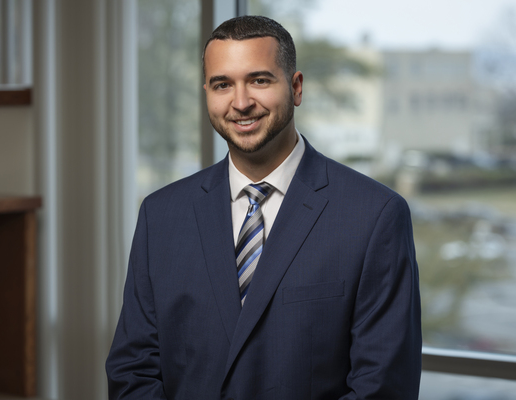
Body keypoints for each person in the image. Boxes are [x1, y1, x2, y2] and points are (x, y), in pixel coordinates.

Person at [106, 15, 421, 400]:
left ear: (296, 87)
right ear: (207, 92)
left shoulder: (375, 216)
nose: (240, 103)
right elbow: (133, 370)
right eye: (223, 85)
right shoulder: (161, 215)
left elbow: (382, 387)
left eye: (259, 80)